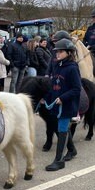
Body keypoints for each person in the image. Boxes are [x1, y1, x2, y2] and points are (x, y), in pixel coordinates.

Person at [41, 38, 81, 171]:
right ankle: (72, 150)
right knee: (62, 128)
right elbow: (54, 85)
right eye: (56, 52)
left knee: (62, 129)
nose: (57, 54)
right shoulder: (57, 66)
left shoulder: (72, 68)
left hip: (67, 105)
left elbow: (76, 89)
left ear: (69, 53)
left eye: (60, 52)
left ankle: (59, 161)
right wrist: (46, 98)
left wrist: (63, 98)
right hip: (57, 104)